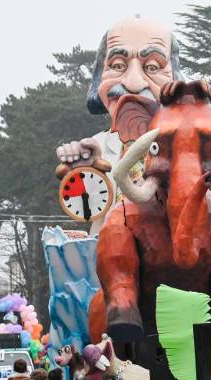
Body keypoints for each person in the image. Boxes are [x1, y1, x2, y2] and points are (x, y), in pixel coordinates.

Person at [54, 16, 185, 232]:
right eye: (117, 65)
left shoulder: (193, 146)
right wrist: (85, 176)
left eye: (152, 67)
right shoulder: (98, 146)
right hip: (108, 251)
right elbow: (87, 213)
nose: (133, 83)